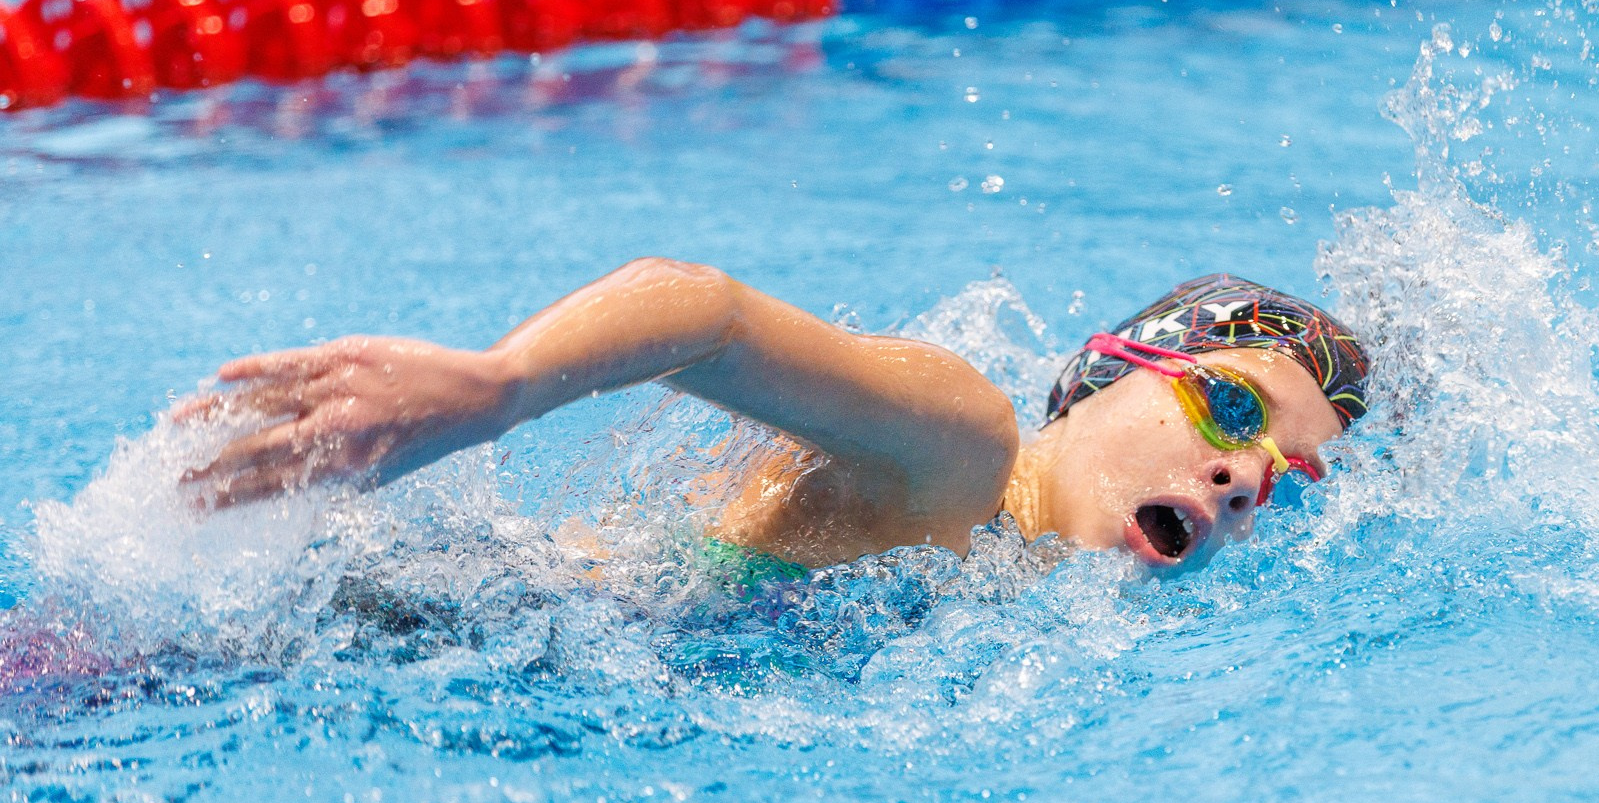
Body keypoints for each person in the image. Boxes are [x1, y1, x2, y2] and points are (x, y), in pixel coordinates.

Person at [178, 262, 1368, 581]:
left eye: (1282, 478)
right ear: (1106, 372)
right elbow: (709, 313)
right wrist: (499, 387)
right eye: (1229, 405)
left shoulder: (1010, 583)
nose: (1237, 474)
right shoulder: (963, 446)